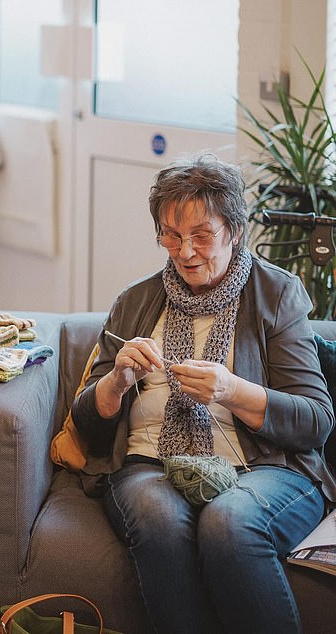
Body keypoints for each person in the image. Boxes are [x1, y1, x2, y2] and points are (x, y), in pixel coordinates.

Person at [71, 152, 336, 634]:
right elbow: (89, 422)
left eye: (201, 235)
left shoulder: (276, 294)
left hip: (264, 467)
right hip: (149, 464)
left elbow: (316, 419)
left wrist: (233, 391)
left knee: (228, 523)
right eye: (171, 235)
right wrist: (117, 382)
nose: (185, 251)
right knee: (156, 517)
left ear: (235, 231)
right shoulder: (135, 301)